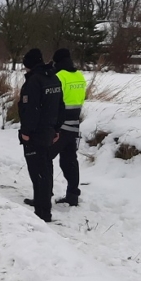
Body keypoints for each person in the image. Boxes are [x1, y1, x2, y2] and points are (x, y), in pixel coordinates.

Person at [18, 48, 64, 222]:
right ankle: (41, 203)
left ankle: (43, 212)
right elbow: (61, 106)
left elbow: (30, 110)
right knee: (45, 168)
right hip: (49, 131)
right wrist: (57, 129)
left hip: (36, 133)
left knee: (38, 171)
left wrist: (26, 133)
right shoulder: (53, 78)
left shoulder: (34, 82)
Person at [51, 48, 86, 206]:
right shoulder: (79, 76)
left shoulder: (59, 76)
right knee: (70, 161)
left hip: (60, 126)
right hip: (75, 125)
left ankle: (43, 194)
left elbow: (53, 102)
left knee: (44, 158)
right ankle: (72, 195)